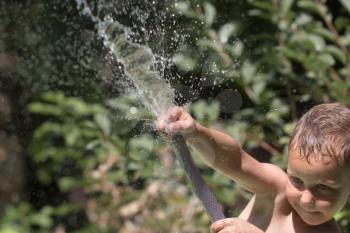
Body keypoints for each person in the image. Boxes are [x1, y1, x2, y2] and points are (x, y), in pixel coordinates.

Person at [156, 103, 350, 233]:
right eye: (297, 180)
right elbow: (235, 160)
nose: (306, 199)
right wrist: (195, 133)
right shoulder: (277, 190)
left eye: (323, 187)